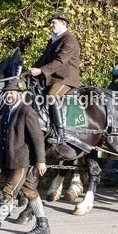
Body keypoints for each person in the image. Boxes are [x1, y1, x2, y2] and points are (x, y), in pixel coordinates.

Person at [0, 83, 48, 234]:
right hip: (12, 159)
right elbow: (2, 140)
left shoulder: (27, 111)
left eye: (12, 93)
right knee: (30, 192)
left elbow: (38, 138)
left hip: (23, 160)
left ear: (19, 94)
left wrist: (41, 161)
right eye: (6, 93)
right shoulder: (7, 111)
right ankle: (43, 225)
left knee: (9, 191)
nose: (8, 95)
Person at [27, 13, 81, 145]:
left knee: (51, 97)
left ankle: (59, 134)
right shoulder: (53, 40)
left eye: (54, 22)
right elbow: (43, 59)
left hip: (65, 78)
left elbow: (60, 62)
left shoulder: (70, 40)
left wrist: (41, 71)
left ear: (63, 23)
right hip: (52, 78)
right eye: (51, 23)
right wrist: (30, 71)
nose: (51, 25)